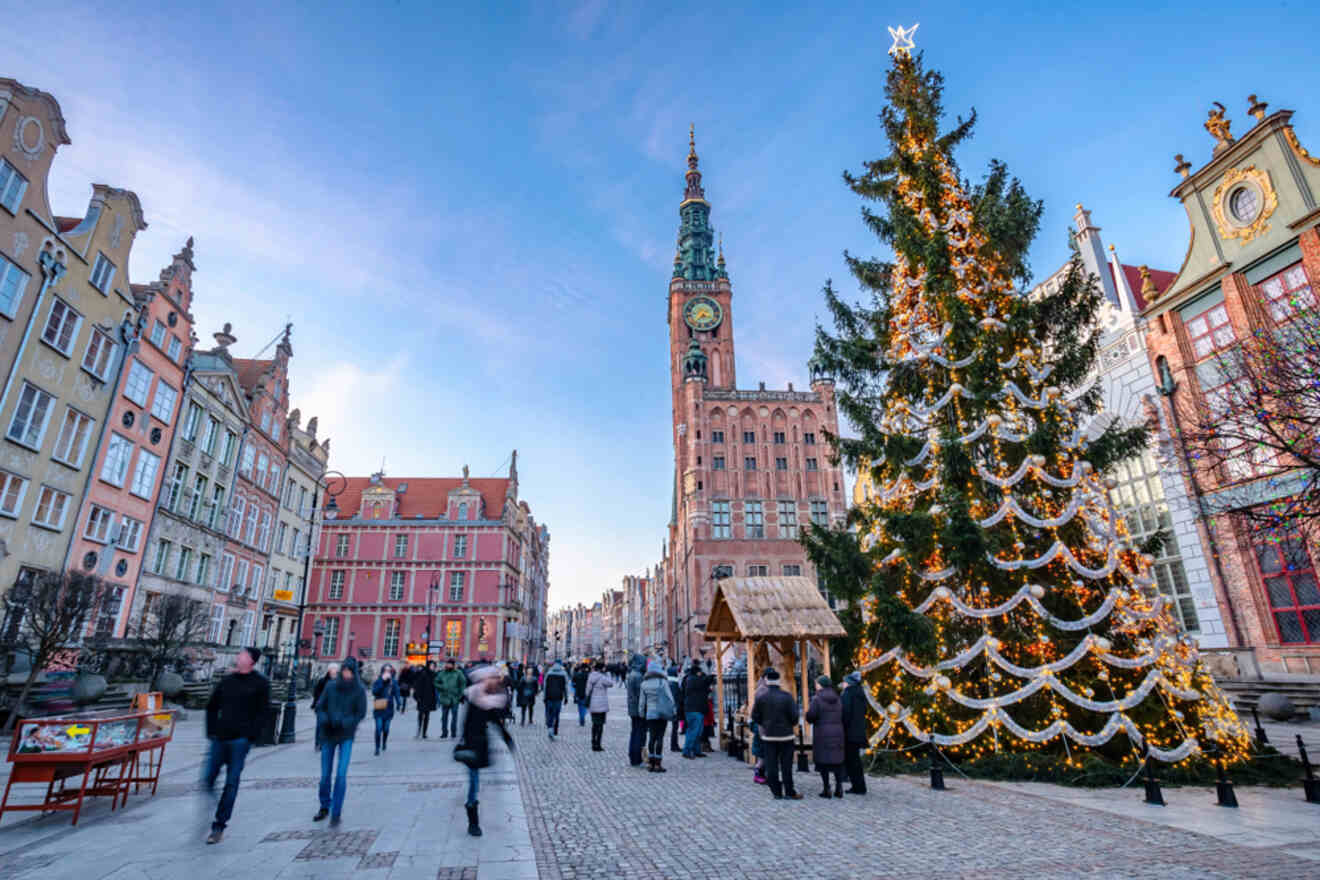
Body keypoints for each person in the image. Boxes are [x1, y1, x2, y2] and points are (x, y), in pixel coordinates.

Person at [202, 646, 270, 845]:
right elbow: (212, 706)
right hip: (220, 738)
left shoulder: (261, 683)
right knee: (208, 779)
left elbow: (263, 712)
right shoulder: (227, 680)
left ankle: (219, 825)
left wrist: (251, 737)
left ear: (251, 660)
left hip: (240, 741)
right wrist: (211, 732)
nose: (238, 657)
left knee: (231, 783)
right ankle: (216, 806)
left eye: (242, 654)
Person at [456, 664, 515, 837]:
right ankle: (473, 822)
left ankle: (474, 810)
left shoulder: (487, 700)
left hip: (482, 745)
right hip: (472, 746)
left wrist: (507, 740)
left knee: (477, 779)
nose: (496, 681)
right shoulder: (474, 698)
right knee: (474, 781)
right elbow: (467, 725)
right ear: (483, 680)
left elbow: (495, 722)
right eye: (492, 678)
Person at [314, 657, 366, 827]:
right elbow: (320, 706)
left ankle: (336, 811)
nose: (346, 674)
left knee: (341, 774)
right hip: (328, 734)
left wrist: (348, 722)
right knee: (325, 776)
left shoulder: (358, 690)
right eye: (344, 671)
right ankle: (324, 805)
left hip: (346, 735)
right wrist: (324, 719)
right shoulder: (330, 686)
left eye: (349, 672)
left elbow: (361, 713)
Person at [751, 668, 802, 800]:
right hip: (786, 736)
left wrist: (766, 723)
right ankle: (789, 791)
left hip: (769, 736)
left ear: (767, 680)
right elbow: (795, 717)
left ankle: (776, 791)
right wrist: (789, 724)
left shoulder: (762, 697)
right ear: (779, 681)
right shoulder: (787, 697)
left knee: (771, 764)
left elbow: (755, 716)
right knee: (786, 765)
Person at [806, 675, 846, 798]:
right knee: (837, 761)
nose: (815, 685)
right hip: (838, 732)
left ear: (820, 685)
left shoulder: (817, 699)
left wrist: (808, 715)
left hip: (822, 733)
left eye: (817, 683)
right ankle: (839, 788)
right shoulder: (838, 698)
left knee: (823, 762)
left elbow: (811, 716)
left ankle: (826, 788)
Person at [638, 658, 675, 772]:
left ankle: (651, 763)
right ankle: (658, 764)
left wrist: (641, 713)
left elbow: (642, 702)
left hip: (650, 713)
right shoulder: (662, 682)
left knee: (652, 738)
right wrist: (673, 709)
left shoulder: (644, 683)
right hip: (662, 712)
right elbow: (670, 698)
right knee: (660, 738)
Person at [840, 670, 868, 794]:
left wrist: (842, 726)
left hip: (849, 732)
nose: (843, 684)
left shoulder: (847, 694)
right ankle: (859, 785)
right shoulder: (860, 693)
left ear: (849, 683)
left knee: (852, 761)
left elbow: (845, 713)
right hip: (859, 731)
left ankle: (858, 787)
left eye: (844, 682)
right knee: (856, 760)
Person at [681, 661, 712, 759]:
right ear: (697, 672)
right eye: (700, 672)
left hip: (695, 708)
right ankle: (687, 751)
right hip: (694, 709)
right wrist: (710, 675)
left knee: (698, 731)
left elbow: (703, 686)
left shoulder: (690, 679)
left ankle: (696, 750)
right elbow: (705, 681)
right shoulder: (693, 679)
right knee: (693, 731)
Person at [371, 663, 400, 755]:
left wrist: (399, 703)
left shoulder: (393, 682)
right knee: (378, 728)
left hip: (389, 708)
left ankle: (384, 742)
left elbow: (396, 693)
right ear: (382, 671)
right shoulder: (378, 681)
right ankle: (377, 747)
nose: (387, 672)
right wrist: (382, 682)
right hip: (379, 706)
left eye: (389, 670)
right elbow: (375, 692)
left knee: (386, 729)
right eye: (385, 670)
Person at [436, 658, 466, 739]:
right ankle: (444, 732)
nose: (448, 665)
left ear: (453, 665)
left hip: (454, 698)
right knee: (444, 717)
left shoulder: (458, 673)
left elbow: (463, 683)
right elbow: (436, 682)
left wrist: (460, 694)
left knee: (454, 717)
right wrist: (442, 687)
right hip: (445, 698)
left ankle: (453, 732)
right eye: (447, 664)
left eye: (450, 664)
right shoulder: (442, 673)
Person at [311, 662, 339, 751]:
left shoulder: (339, 681)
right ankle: (318, 743)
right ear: (329, 670)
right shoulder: (322, 681)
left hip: (333, 708)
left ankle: (326, 743)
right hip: (322, 707)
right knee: (320, 725)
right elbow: (316, 693)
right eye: (332, 669)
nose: (333, 671)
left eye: (335, 669)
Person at [586, 660, 613, 751]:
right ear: (602, 668)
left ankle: (593, 742)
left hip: (593, 704)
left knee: (594, 724)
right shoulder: (602, 677)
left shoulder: (590, 676)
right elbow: (611, 683)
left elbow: (587, 690)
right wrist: (608, 674)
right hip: (601, 705)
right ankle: (598, 744)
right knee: (600, 725)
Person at [624, 653, 646, 767]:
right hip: (638, 709)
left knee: (634, 732)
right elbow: (641, 694)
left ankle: (633, 756)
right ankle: (636, 758)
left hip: (633, 708)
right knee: (638, 733)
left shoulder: (632, 674)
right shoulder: (637, 676)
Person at [542, 658, 569, 739]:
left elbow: (545, 686)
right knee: (556, 713)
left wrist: (544, 697)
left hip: (549, 696)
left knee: (549, 713)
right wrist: (566, 697)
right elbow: (566, 687)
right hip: (558, 696)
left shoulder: (549, 672)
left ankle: (550, 728)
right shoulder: (564, 673)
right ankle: (555, 730)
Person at [414, 660, 438, 738]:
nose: (433, 667)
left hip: (430, 698)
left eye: (434, 666)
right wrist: (417, 697)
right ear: (428, 666)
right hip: (422, 698)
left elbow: (435, 687)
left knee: (427, 716)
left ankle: (424, 733)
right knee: (420, 715)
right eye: (431, 665)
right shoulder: (423, 674)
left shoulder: (434, 675)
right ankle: (419, 730)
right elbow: (418, 686)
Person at [667, 664, 683, 753]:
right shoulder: (674, 684)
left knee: (675, 728)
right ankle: (674, 745)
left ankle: (674, 745)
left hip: (672, 707)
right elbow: (676, 697)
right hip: (674, 708)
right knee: (674, 728)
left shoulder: (670, 683)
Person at [572, 661, 591, 726]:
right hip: (586, 693)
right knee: (585, 707)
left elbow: (573, 684)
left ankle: (581, 718)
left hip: (578, 693)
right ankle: (582, 718)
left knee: (580, 707)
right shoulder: (589, 676)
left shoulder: (577, 675)